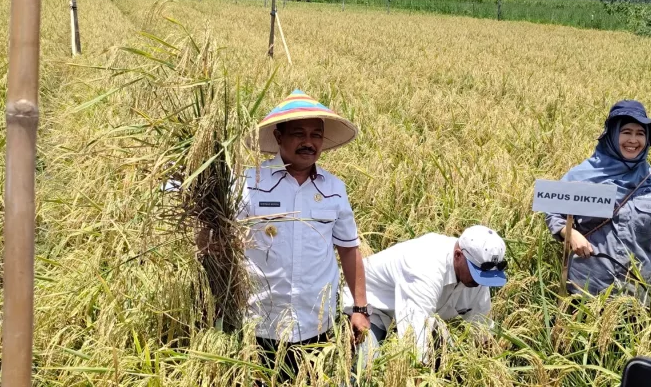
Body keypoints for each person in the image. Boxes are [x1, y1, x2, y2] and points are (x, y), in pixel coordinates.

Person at [201, 89, 370, 381]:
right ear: (279, 137)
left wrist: (360, 308)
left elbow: (349, 249)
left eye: (316, 135)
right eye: (299, 134)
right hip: (260, 321)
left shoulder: (334, 189)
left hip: (316, 324)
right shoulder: (248, 183)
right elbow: (218, 244)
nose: (309, 142)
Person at [546, 100, 651, 303]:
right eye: (626, 132)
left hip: (637, 290)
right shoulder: (582, 175)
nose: (633, 140)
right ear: (612, 135)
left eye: (640, 133)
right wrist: (569, 234)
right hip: (587, 289)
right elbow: (553, 210)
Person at [342, 225, 508, 367]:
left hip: (422, 315)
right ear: (458, 255)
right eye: (476, 274)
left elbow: (482, 330)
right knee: (367, 365)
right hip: (371, 310)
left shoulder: (476, 279)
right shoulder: (425, 266)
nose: (479, 283)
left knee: (449, 360)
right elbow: (414, 346)